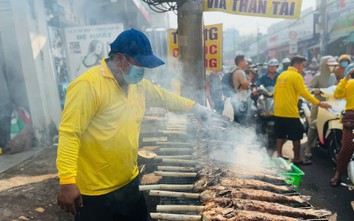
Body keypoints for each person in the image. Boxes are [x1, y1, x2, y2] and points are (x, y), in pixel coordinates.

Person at [56, 29, 211, 221]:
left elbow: (165, 98)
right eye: (140, 65)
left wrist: (194, 107)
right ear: (120, 59)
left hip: (129, 182)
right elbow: (70, 134)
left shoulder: (137, 86)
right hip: (95, 193)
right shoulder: (87, 86)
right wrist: (67, 181)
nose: (142, 72)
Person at [274, 55, 331, 165]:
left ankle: (279, 156)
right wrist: (319, 103)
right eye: (302, 66)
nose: (303, 68)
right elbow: (304, 93)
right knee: (297, 135)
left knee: (280, 134)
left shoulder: (281, 75)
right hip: (290, 112)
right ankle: (297, 158)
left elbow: (275, 93)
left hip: (278, 111)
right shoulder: (296, 76)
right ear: (297, 64)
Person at [304, 56, 338, 159]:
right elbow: (307, 88)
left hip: (332, 104)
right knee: (314, 125)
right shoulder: (317, 77)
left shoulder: (333, 77)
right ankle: (308, 147)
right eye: (330, 65)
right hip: (319, 104)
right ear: (324, 65)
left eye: (333, 65)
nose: (332, 67)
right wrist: (316, 90)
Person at [329, 64, 354, 187]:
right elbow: (338, 94)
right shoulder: (349, 84)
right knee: (346, 148)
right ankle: (337, 175)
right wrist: (346, 78)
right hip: (351, 120)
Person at [231, 55, 253, 124]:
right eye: (245, 61)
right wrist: (251, 77)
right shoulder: (240, 72)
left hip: (237, 99)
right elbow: (245, 86)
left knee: (238, 122)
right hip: (241, 100)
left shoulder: (235, 70)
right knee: (242, 122)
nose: (246, 63)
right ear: (241, 62)